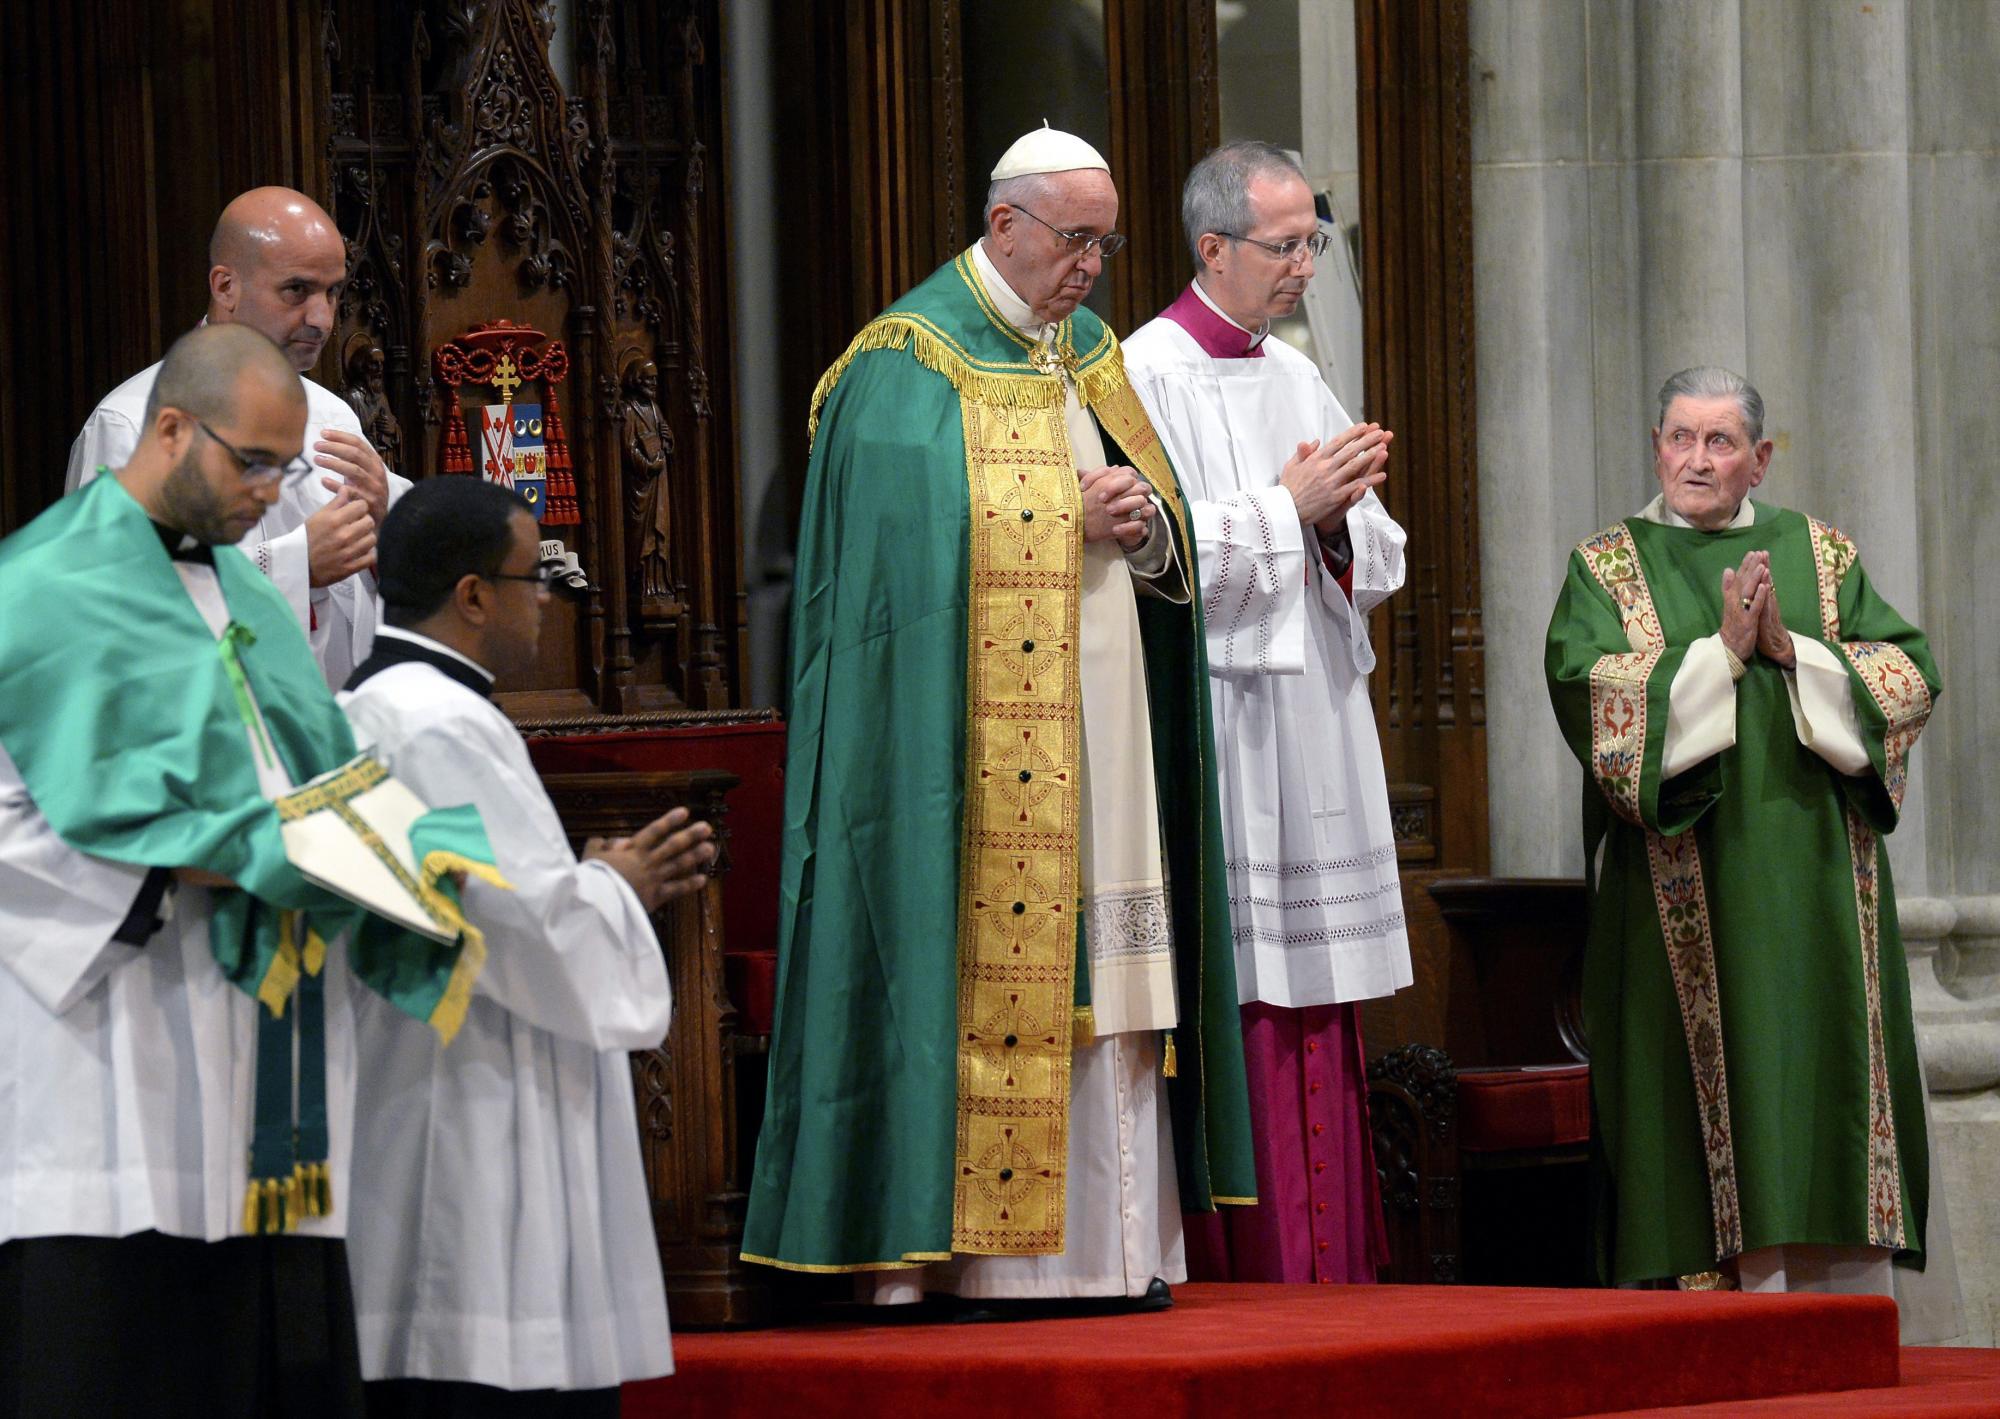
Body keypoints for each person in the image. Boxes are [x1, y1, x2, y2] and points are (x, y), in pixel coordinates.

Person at [740, 126, 1256, 1307]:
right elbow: (890, 584)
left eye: (1104, 245)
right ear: (1002, 225)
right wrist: (1063, 521)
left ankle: (1113, 1253)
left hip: (1104, 725)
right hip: (968, 758)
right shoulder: (903, 367)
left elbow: (1156, 518)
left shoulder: (1090, 353)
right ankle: (978, 1260)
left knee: (1112, 975)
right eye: (1072, 241)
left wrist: (1143, 523)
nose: (1089, 268)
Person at [0, 325, 490, 1417]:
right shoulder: (45, 585)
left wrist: (397, 857)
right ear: (171, 429)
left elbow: (314, 768)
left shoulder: (254, 597)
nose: (273, 497)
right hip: (109, 1064)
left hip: (264, 1069)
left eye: (287, 469)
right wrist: (206, 855)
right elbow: (28, 833)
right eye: (254, 464)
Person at [1545, 365, 1938, 1293]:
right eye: (1680, 437)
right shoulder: (1607, 567)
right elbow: (1587, 691)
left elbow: (1908, 676)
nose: (1696, 458)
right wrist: (1718, 656)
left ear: (1758, 460)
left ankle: (1841, 1312)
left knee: (1821, 1087)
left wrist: (1792, 651)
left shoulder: (1822, 555)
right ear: (1655, 447)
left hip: (1820, 890)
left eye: (1719, 441)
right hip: (1681, 892)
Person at [340, 477, 715, 1417]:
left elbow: (470, 891)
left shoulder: (391, 705)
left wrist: (582, 884)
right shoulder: (437, 724)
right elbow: (511, 923)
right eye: (531, 576)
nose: (547, 598)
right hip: (467, 1112)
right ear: (473, 595)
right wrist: (618, 885)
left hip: (435, 1083)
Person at [1123, 141, 1411, 1285]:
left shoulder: (1294, 373)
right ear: (1212, 248)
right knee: (1245, 994)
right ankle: (1257, 1269)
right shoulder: (1142, 374)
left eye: (1311, 242)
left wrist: (1335, 523)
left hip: (1312, 730)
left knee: (1316, 1000)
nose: (1304, 265)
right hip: (1225, 729)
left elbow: (1373, 553)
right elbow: (1148, 560)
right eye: (1284, 245)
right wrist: (1286, 508)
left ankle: (1338, 1276)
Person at [68, 186, 409, 690]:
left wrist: (389, 522)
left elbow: (375, 597)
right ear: (226, 286)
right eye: (297, 290)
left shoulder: (333, 416)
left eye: (333, 292)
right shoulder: (130, 424)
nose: (322, 319)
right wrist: (295, 566)